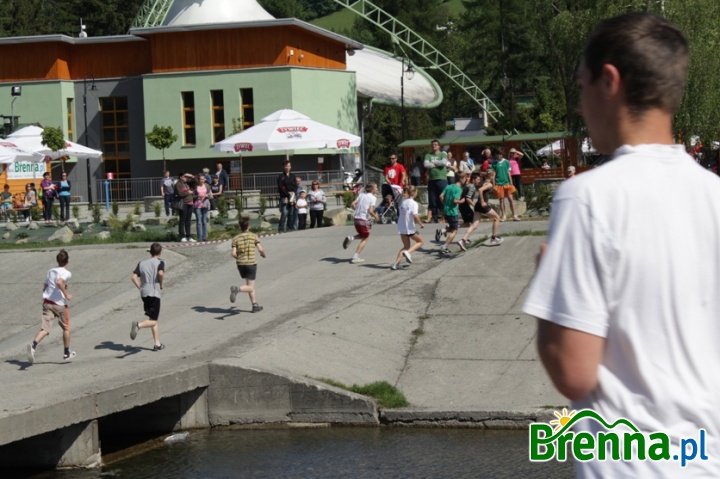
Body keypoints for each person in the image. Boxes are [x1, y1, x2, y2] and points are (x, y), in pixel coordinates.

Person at [523, 13, 720, 478]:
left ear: (609, 81)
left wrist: (547, 287)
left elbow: (573, 373)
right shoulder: (714, 194)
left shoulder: (587, 197)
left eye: (582, 85)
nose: (580, 104)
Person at [27, 249, 75, 363]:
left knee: (45, 329)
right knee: (66, 328)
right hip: (60, 304)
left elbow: (45, 286)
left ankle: (33, 346)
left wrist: (57, 289)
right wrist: (66, 294)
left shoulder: (50, 271)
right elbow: (59, 282)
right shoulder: (67, 273)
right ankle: (66, 352)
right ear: (67, 261)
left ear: (57, 260)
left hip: (47, 303)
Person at [129, 242, 165, 351]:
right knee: (153, 321)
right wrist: (161, 283)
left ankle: (157, 343)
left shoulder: (141, 263)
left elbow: (133, 277)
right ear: (160, 252)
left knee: (152, 319)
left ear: (150, 252)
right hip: (154, 293)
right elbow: (160, 273)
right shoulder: (160, 262)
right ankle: (138, 325)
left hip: (144, 293)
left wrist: (140, 287)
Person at [458, 170, 503, 251]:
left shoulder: (482, 182)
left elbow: (489, 188)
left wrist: (493, 183)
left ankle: (463, 240)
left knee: (474, 225)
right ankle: (493, 238)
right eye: (494, 176)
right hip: (482, 205)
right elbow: (480, 190)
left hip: (477, 205)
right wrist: (482, 201)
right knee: (497, 218)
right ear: (491, 176)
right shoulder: (488, 184)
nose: (494, 177)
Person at [230, 216, 266, 313]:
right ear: (249, 226)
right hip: (251, 263)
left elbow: (233, 253)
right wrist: (263, 254)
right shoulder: (253, 236)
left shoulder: (236, 238)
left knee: (249, 284)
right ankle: (237, 289)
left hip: (240, 264)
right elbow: (260, 249)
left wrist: (239, 259)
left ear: (240, 226)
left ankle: (255, 305)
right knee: (250, 287)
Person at [342, 182, 379, 264]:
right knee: (365, 238)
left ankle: (351, 238)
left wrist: (358, 209)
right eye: (376, 187)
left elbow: (352, 204)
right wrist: (375, 216)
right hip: (363, 219)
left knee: (362, 235)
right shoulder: (373, 198)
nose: (377, 189)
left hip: (356, 219)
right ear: (372, 189)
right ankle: (355, 257)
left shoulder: (361, 195)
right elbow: (370, 211)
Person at [390, 185, 424, 270]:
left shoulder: (403, 202)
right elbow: (415, 215)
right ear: (414, 193)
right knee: (420, 241)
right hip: (409, 228)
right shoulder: (414, 203)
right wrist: (421, 224)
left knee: (406, 246)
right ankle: (408, 252)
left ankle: (396, 264)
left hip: (402, 227)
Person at [437, 171, 465, 254]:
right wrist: (461, 201)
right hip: (453, 211)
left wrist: (444, 203)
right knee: (454, 231)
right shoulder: (458, 189)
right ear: (461, 179)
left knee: (453, 227)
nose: (465, 180)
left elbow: (440, 196)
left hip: (446, 210)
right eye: (465, 178)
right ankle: (444, 246)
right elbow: (455, 200)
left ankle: (442, 231)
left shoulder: (448, 186)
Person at [492, 149, 520, 221]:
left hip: (507, 183)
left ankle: (514, 215)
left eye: (500, 154)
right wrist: (494, 185)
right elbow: (493, 175)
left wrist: (511, 183)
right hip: (498, 184)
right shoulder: (494, 163)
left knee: (511, 199)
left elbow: (509, 173)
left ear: (502, 154)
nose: (499, 156)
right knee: (501, 201)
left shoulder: (507, 162)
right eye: (497, 154)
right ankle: (504, 215)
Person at [424, 139, 448, 223]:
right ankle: (434, 217)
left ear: (439, 146)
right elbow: (426, 165)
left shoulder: (442, 154)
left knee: (442, 198)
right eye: (432, 144)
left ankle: (444, 218)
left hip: (442, 179)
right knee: (432, 199)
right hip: (432, 179)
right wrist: (437, 163)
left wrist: (433, 162)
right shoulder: (428, 155)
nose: (434, 146)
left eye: (436, 144)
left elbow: (444, 163)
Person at [174, 172, 195, 242]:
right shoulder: (178, 184)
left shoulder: (187, 183)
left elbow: (196, 181)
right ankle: (182, 236)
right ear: (180, 177)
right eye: (184, 177)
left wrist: (191, 175)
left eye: (187, 177)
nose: (186, 178)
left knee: (188, 221)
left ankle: (189, 236)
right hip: (183, 204)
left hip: (190, 203)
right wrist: (188, 192)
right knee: (182, 220)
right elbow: (180, 194)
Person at [277, 161, 295, 233]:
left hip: (292, 195)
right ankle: (281, 228)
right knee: (284, 213)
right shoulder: (281, 176)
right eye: (286, 166)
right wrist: (287, 193)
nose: (287, 167)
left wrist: (293, 193)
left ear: (290, 167)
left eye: (289, 166)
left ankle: (289, 227)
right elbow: (280, 187)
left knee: (291, 213)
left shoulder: (293, 175)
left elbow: (295, 185)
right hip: (284, 196)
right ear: (283, 167)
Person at [193, 174, 211, 241]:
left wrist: (207, 195)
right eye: (201, 179)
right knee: (199, 221)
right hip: (197, 205)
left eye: (203, 179)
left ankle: (205, 237)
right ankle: (199, 237)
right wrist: (198, 196)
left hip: (205, 204)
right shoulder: (195, 187)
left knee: (204, 221)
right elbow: (193, 196)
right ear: (198, 180)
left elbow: (210, 194)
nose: (202, 180)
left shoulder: (207, 186)